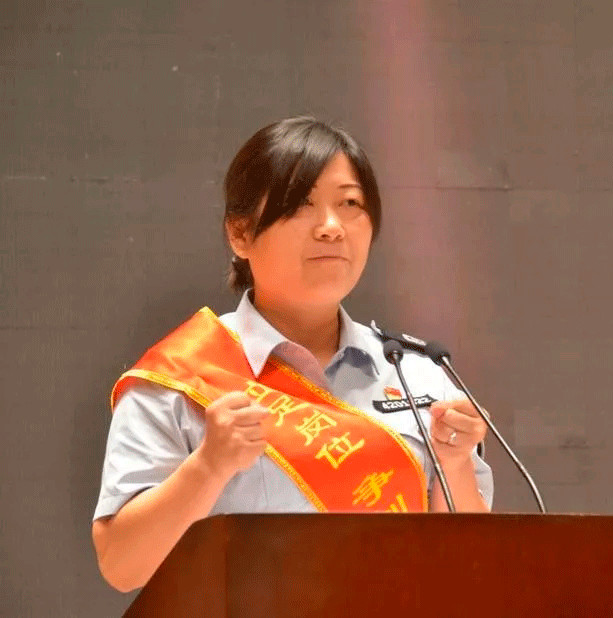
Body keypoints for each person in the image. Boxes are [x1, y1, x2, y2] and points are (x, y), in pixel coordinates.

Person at [92, 116, 493, 592]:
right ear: (240, 233)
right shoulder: (182, 376)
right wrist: (208, 466)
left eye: (350, 203)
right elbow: (122, 566)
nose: (331, 228)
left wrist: (455, 464)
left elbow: (473, 568)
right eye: (301, 204)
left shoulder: (417, 374)